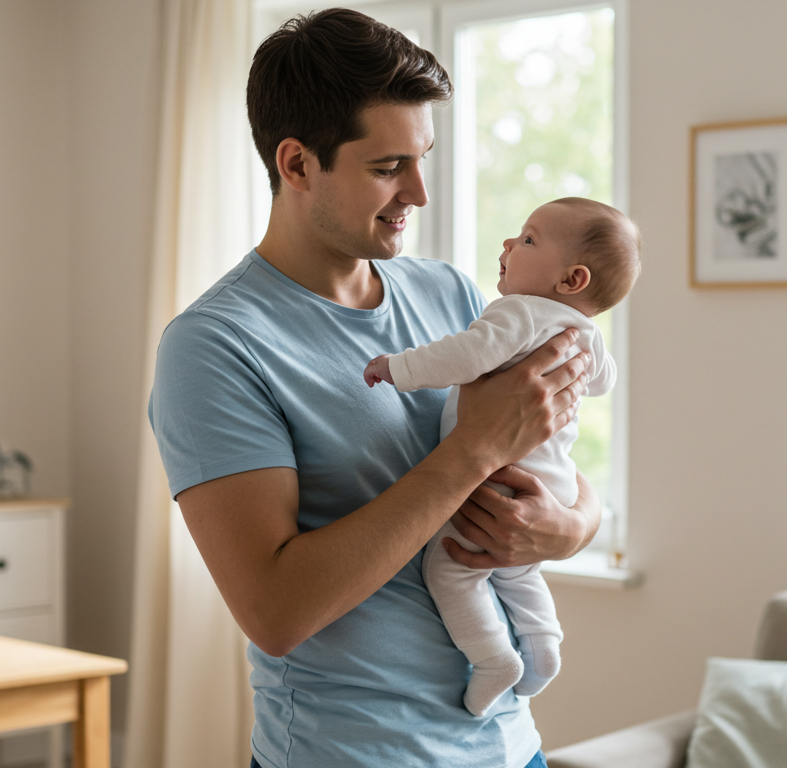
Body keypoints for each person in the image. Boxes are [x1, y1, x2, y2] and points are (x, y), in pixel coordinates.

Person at [147, 9, 600, 768]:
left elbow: (558, 464)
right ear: (296, 165)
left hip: (509, 747)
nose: (418, 193)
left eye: (423, 158)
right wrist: (472, 448)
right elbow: (275, 610)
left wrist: (570, 528)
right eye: (389, 168)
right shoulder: (214, 346)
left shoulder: (452, 296)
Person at [363, 198, 641, 717]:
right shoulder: (582, 331)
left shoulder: (517, 312)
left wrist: (397, 368)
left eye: (530, 240)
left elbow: (464, 356)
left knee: (451, 570)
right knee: (518, 573)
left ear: (572, 279)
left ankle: (494, 659)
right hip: (551, 488)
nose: (510, 244)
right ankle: (543, 647)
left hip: (496, 482)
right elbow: (605, 381)